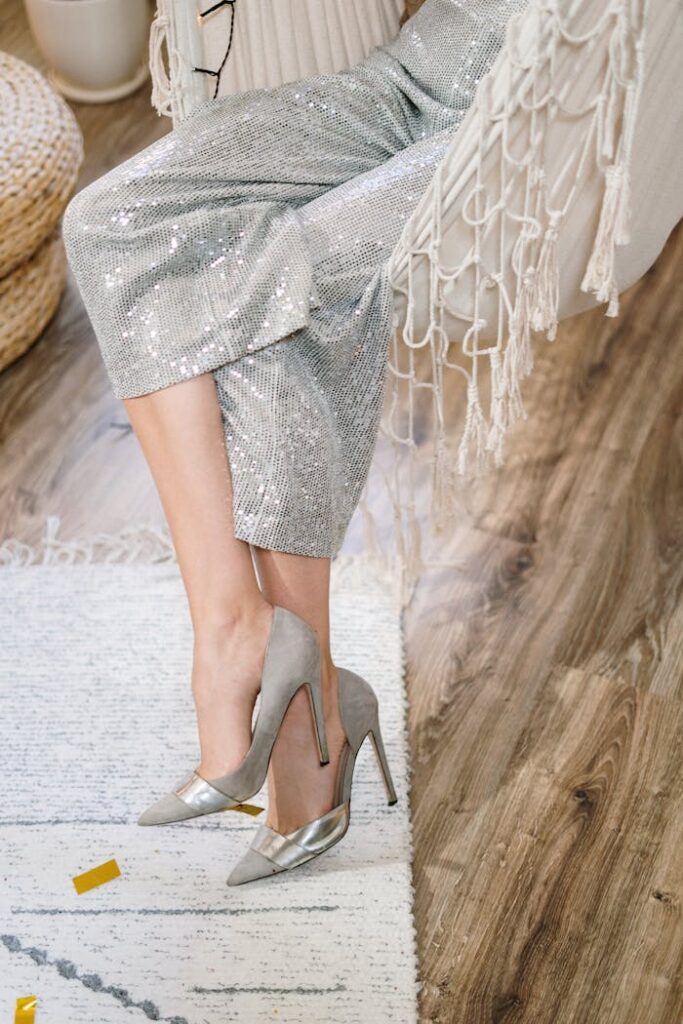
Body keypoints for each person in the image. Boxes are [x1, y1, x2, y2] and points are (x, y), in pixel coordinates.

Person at [61, 0, 526, 884]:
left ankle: (294, 727)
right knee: (109, 227)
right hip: (415, 70)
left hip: (522, 118)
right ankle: (238, 625)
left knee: (260, 298)